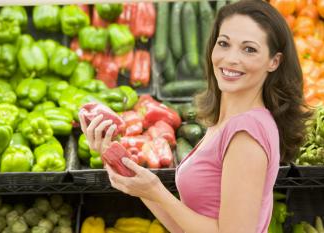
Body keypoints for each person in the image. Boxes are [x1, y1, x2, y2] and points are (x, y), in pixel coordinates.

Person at [79, 0, 311, 232]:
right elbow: (185, 227)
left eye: (249, 49)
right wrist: (116, 156)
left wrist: (157, 191)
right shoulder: (229, 120)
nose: (230, 58)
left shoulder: (245, 133)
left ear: (274, 61)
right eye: (224, 43)